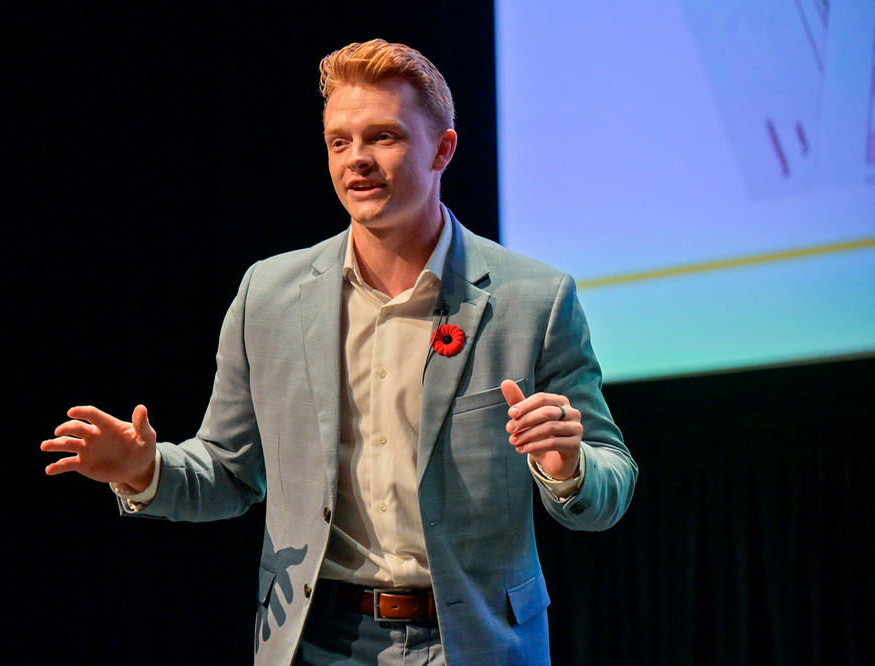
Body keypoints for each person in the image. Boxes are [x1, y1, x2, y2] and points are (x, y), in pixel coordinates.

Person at [41, 39, 637, 665]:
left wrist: (568, 468)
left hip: (475, 641)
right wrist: (144, 470)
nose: (358, 161)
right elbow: (230, 470)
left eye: (383, 137)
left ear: (443, 149)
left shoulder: (534, 300)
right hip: (314, 639)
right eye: (339, 141)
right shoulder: (267, 295)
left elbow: (612, 480)